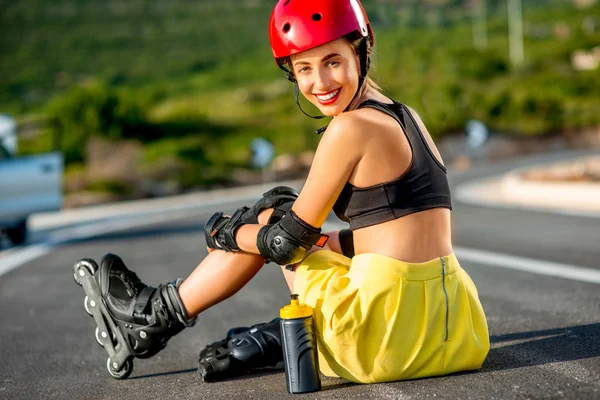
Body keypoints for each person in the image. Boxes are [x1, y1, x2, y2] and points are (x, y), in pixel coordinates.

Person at [73, 0, 490, 383]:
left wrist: (226, 232)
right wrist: (323, 241)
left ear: (361, 51)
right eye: (304, 69)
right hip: (455, 333)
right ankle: (262, 334)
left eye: (332, 61)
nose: (320, 82)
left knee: (274, 216)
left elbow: (284, 243)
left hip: (381, 344)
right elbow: (391, 235)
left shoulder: (348, 128)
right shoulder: (406, 116)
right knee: (305, 233)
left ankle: (153, 315)